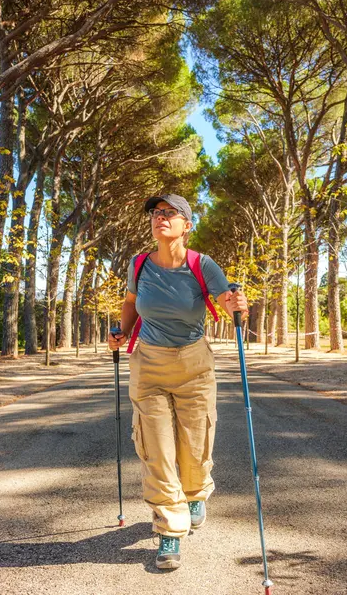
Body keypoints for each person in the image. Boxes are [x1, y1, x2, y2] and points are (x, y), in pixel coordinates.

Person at [108, 193, 248, 570]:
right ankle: (170, 529)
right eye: (156, 213)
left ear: (187, 225)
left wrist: (237, 304)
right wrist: (120, 332)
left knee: (196, 441)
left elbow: (227, 299)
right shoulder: (139, 264)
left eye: (170, 213)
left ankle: (196, 491)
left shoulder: (202, 265)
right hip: (148, 363)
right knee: (155, 447)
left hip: (194, 364)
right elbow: (130, 302)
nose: (160, 218)